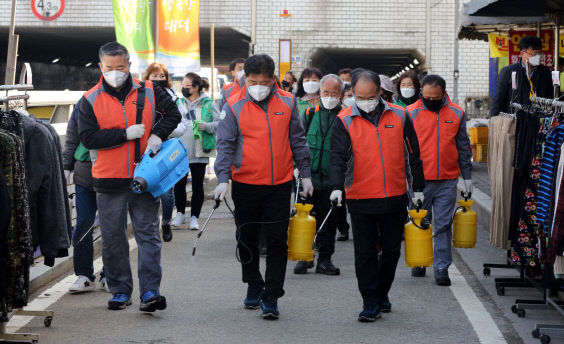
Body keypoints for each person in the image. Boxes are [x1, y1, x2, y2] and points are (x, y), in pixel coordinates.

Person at [78, 41, 181, 311]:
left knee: (148, 234)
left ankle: (150, 292)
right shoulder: (89, 99)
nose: (115, 72)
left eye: (120, 67)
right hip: (108, 178)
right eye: (110, 68)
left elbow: (173, 113)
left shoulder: (150, 90)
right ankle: (120, 290)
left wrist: (158, 134)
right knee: (113, 237)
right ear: (101, 66)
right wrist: (124, 134)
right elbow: (88, 137)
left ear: (129, 66)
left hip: (145, 176)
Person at [214, 54, 312, 320]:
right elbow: (225, 145)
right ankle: (253, 282)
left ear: (274, 81)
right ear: (246, 79)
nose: (259, 87)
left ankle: (272, 295)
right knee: (247, 238)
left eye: (265, 82)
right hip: (246, 183)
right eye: (253, 81)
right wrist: (222, 178)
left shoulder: (289, 102)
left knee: (278, 240)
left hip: (280, 183)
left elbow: (298, 140)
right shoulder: (233, 106)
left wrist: (305, 174)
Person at [329, 68, 425, 322]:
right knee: (365, 253)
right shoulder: (344, 119)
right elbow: (337, 157)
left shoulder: (401, 116)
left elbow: (414, 155)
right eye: (359, 97)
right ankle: (370, 301)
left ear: (380, 93)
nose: (365, 102)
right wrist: (337, 186)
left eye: (370, 96)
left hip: (394, 195)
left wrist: (419, 189)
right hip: (360, 197)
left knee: (392, 250)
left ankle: (382, 292)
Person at [407, 75, 472, 286]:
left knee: (443, 225)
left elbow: (463, 146)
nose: (430, 101)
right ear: (421, 94)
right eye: (426, 97)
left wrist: (468, 178)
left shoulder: (456, 113)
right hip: (419, 181)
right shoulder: (410, 113)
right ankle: (419, 260)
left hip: (447, 179)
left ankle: (442, 266)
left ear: (443, 95)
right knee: (419, 222)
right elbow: (402, 149)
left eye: (435, 98)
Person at [293, 74, 344, 275]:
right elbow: (298, 141)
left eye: (334, 93)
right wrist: (297, 166)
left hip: (333, 180)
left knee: (328, 221)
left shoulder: (346, 116)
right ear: (319, 93)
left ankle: (325, 259)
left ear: (340, 94)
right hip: (308, 178)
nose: (329, 97)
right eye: (326, 92)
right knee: (304, 218)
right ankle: (304, 257)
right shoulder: (309, 114)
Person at [64, 98, 110, 294]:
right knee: (83, 224)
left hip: (112, 173)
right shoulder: (84, 102)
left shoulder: (119, 102)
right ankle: (84, 275)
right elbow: (72, 134)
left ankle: (110, 274)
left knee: (112, 226)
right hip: (84, 173)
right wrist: (66, 166)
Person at [143, 62, 188, 242]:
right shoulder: (141, 95)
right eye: (155, 76)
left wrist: (166, 132)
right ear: (147, 78)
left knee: (166, 192)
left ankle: (166, 222)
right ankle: (151, 227)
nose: (159, 80)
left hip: (165, 146)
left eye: (162, 76)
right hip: (143, 149)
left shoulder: (174, 98)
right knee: (146, 189)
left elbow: (182, 122)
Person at [171, 73, 218, 230]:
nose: (183, 88)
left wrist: (208, 126)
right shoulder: (178, 103)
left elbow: (219, 123)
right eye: (182, 85)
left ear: (196, 87)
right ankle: (180, 214)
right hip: (180, 150)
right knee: (179, 183)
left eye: (186, 85)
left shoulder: (208, 103)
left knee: (198, 184)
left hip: (200, 150)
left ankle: (194, 217)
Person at [490, 35, 553, 117]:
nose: (537, 57)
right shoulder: (508, 72)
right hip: (515, 123)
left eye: (539, 54)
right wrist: (494, 122)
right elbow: (498, 101)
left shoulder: (545, 72)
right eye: (534, 54)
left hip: (537, 123)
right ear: (522, 53)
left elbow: (550, 99)